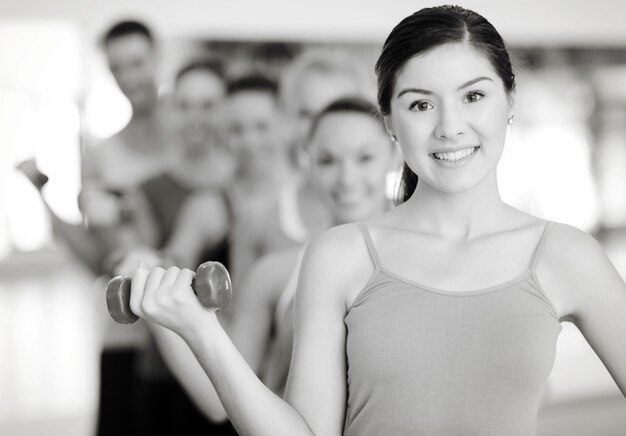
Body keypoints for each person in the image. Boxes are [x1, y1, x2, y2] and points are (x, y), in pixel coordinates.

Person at [127, 6, 626, 436]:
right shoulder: (339, 255)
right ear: (388, 120)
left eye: (473, 96)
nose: (450, 126)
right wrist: (201, 331)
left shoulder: (566, 255)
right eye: (420, 104)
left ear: (509, 102)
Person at [146, 97, 397, 420]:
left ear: (394, 155)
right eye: (327, 161)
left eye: (365, 158)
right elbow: (219, 403)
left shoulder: (426, 262)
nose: (347, 177)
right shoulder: (273, 274)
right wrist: (160, 311)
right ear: (307, 164)